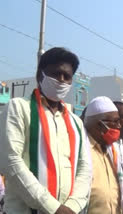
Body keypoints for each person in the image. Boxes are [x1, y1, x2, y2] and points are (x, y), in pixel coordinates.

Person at [0, 47, 92, 214]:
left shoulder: (75, 122)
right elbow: (10, 160)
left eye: (67, 77)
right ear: (39, 75)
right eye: (56, 74)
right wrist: (53, 207)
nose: (61, 80)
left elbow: (85, 168)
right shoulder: (19, 107)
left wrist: (72, 207)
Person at [84, 96, 123, 214]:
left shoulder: (114, 150)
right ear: (99, 124)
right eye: (115, 122)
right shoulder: (82, 149)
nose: (119, 126)